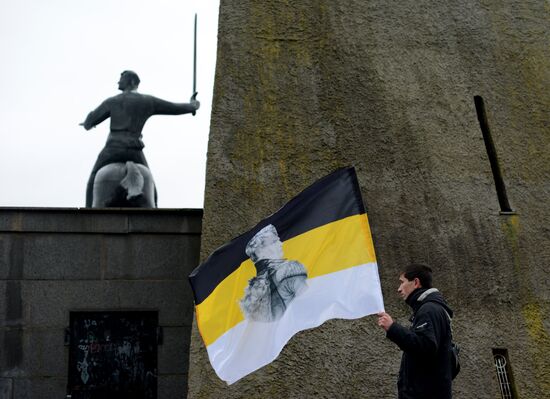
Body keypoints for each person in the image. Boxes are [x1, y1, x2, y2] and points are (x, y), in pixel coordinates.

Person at [81, 70, 200, 207]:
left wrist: (87, 123)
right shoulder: (147, 101)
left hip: (113, 149)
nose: (118, 81)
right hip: (134, 149)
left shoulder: (112, 101)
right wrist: (192, 106)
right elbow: (172, 107)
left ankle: (87, 212)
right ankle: (154, 209)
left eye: (122, 78)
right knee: (152, 188)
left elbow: (90, 122)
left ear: (132, 82)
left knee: (92, 179)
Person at [377, 263, 454, 399]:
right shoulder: (430, 308)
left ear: (416, 282)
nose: (399, 289)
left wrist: (392, 328)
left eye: (402, 282)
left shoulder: (429, 309)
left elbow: (426, 346)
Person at [240, 224, 308, 322]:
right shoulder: (288, 271)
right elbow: (309, 302)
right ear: (261, 251)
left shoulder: (252, 291)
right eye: (274, 242)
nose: (280, 244)